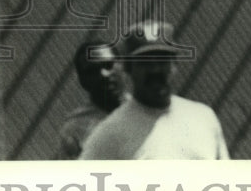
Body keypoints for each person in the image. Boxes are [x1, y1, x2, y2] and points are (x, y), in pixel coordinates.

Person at [79, 20, 230, 160]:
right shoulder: (110, 134)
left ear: (174, 66)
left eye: (162, 60)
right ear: (129, 68)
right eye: (145, 62)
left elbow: (226, 183)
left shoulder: (203, 118)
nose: (155, 69)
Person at [56, 39, 128, 159]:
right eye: (93, 71)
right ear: (83, 81)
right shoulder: (76, 129)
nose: (104, 74)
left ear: (123, 67)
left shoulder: (150, 111)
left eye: (108, 65)